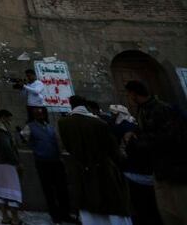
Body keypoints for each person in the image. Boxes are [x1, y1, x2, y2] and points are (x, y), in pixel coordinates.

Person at [58, 95, 132, 225]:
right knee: (112, 208)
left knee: (88, 209)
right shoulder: (98, 123)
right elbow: (113, 150)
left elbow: (67, 147)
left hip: (80, 173)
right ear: (85, 106)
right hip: (104, 173)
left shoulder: (63, 123)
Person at [125, 81, 187, 225]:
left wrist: (137, 143)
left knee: (181, 210)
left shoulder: (161, 109)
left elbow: (170, 137)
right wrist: (134, 132)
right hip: (159, 169)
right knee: (168, 213)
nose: (128, 97)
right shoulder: (143, 110)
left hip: (176, 170)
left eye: (128, 94)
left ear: (134, 94)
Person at [20, 106, 77, 224]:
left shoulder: (50, 127)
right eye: (38, 114)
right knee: (49, 190)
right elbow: (24, 139)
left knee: (62, 189)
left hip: (56, 161)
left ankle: (65, 214)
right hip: (42, 162)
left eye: (42, 114)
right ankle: (55, 215)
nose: (40, 116)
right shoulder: (30, 127)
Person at [108, 104, 161, 225]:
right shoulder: (134, 125)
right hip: (145, 171)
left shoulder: (119, 127)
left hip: (133, 171)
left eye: (113, 114)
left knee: (139, 204)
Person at [0, 109, 24, 225]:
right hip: (6, 164)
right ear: (3, 117)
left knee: (0, 192)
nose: (9, 122)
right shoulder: (1, 130)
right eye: (8, 119)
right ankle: (15, 219)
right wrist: (16, 162)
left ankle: (5, 217)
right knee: (12, 191)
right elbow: (7, 148)